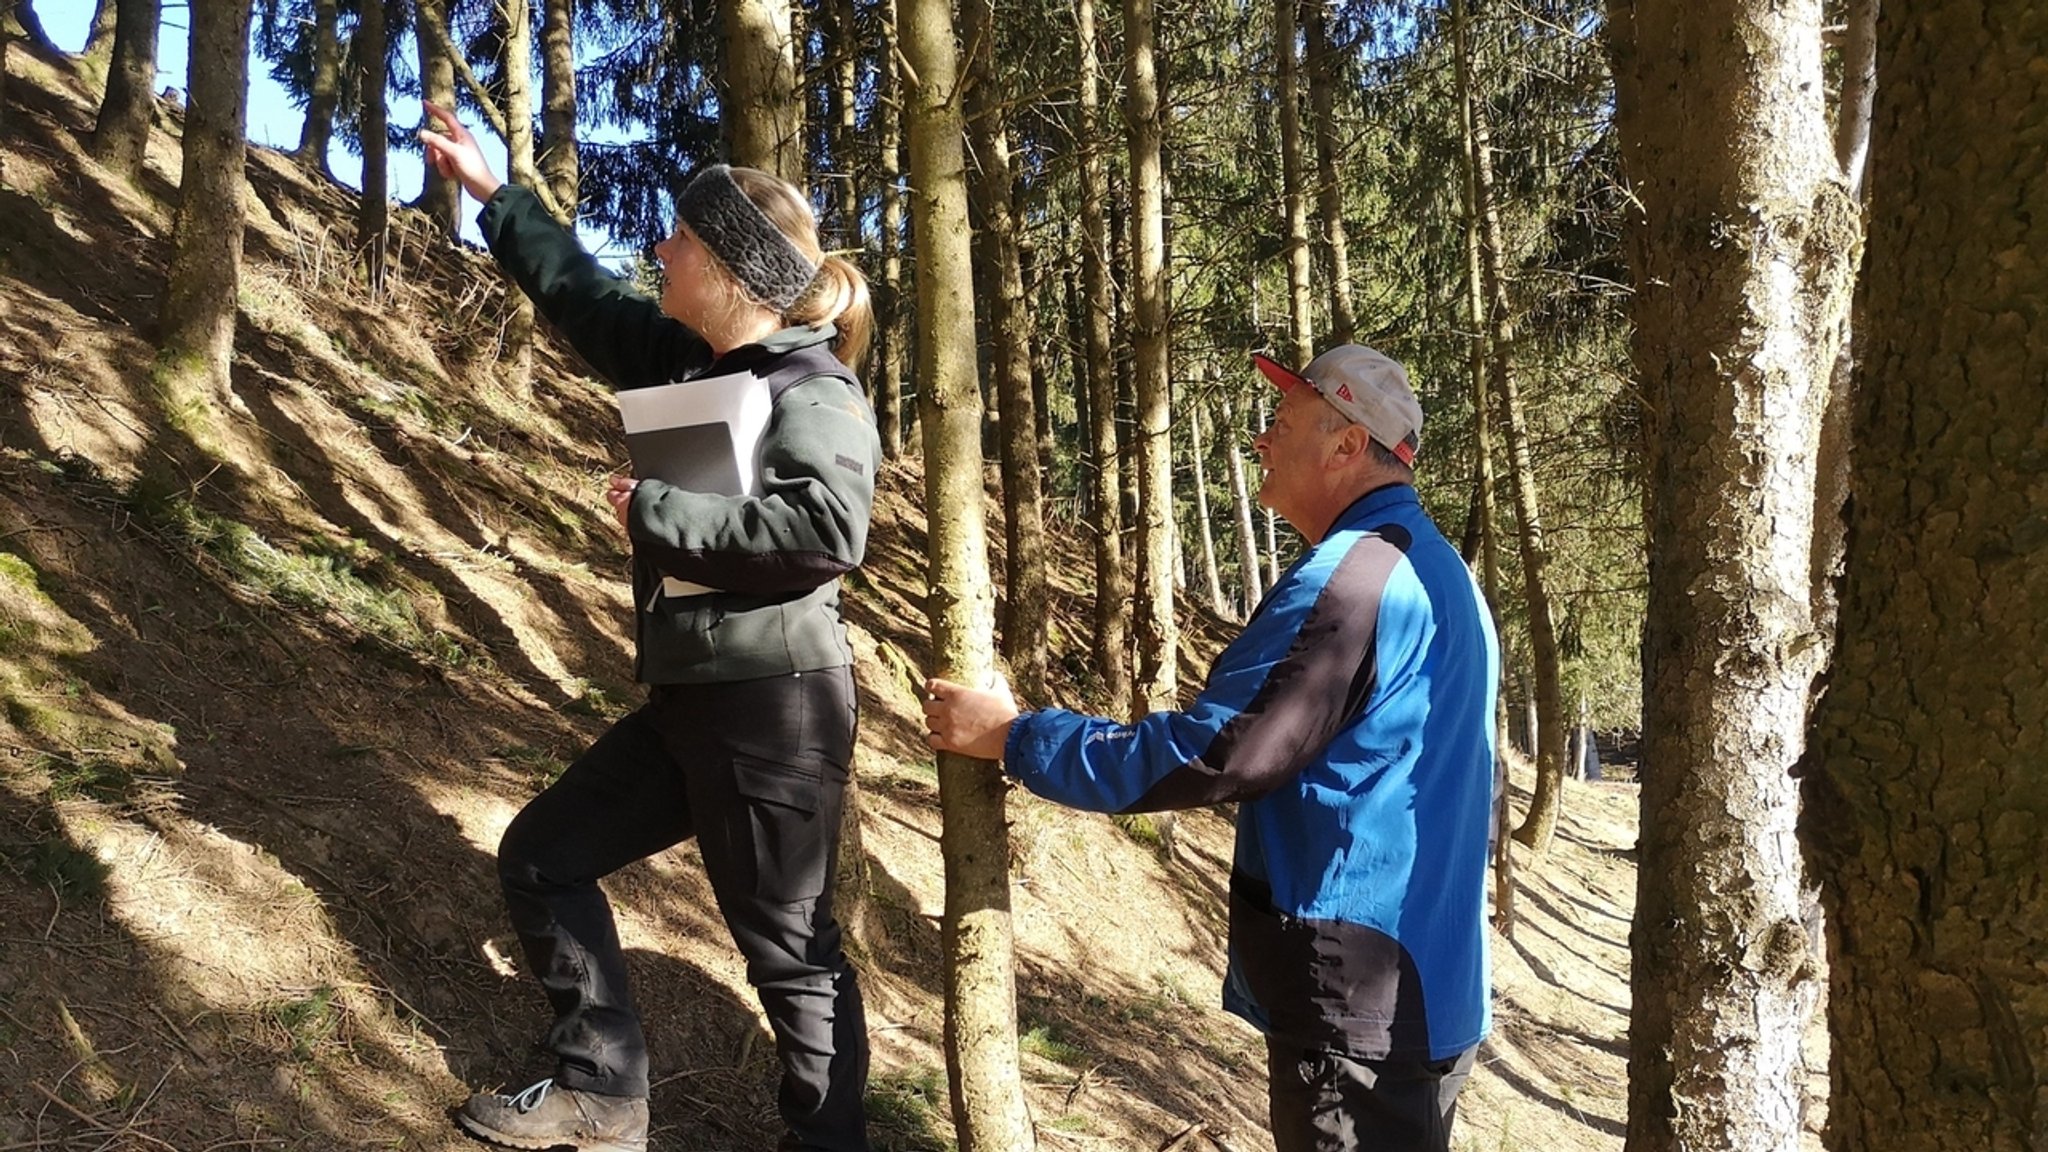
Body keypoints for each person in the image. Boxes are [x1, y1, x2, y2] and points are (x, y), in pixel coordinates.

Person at [420, 105, 882, 1152]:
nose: (658, 250)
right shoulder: (686, 361)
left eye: (677, 239)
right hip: (690, 702)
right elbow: (582, 297)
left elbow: (825, 528)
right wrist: (498, 197)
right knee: (544, 855)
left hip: (775, 710)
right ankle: (599, 1092)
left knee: (791, 956)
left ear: (725, 265)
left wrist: (656, 513)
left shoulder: (814, 386)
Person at [924, 345, 1500, 1152]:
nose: (1261, 439)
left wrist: (1015, 737)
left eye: (1283, 421)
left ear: (1346, 445)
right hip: (1428, 994)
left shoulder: (1355, 579)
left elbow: (1219, 749)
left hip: (1358, 1009)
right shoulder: (1442, 573)